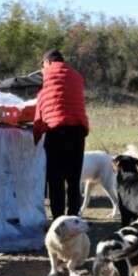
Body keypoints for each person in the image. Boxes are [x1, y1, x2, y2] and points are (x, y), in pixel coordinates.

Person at [33, 49, 89, 220]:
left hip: (57, 132)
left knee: (55, 180)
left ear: (48, 62)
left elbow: (20, 81)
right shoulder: (77, 76)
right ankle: (74, 218)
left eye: (43, 65)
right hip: (77, 133)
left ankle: (58, 219)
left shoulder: (47, 73)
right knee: (73, 180)